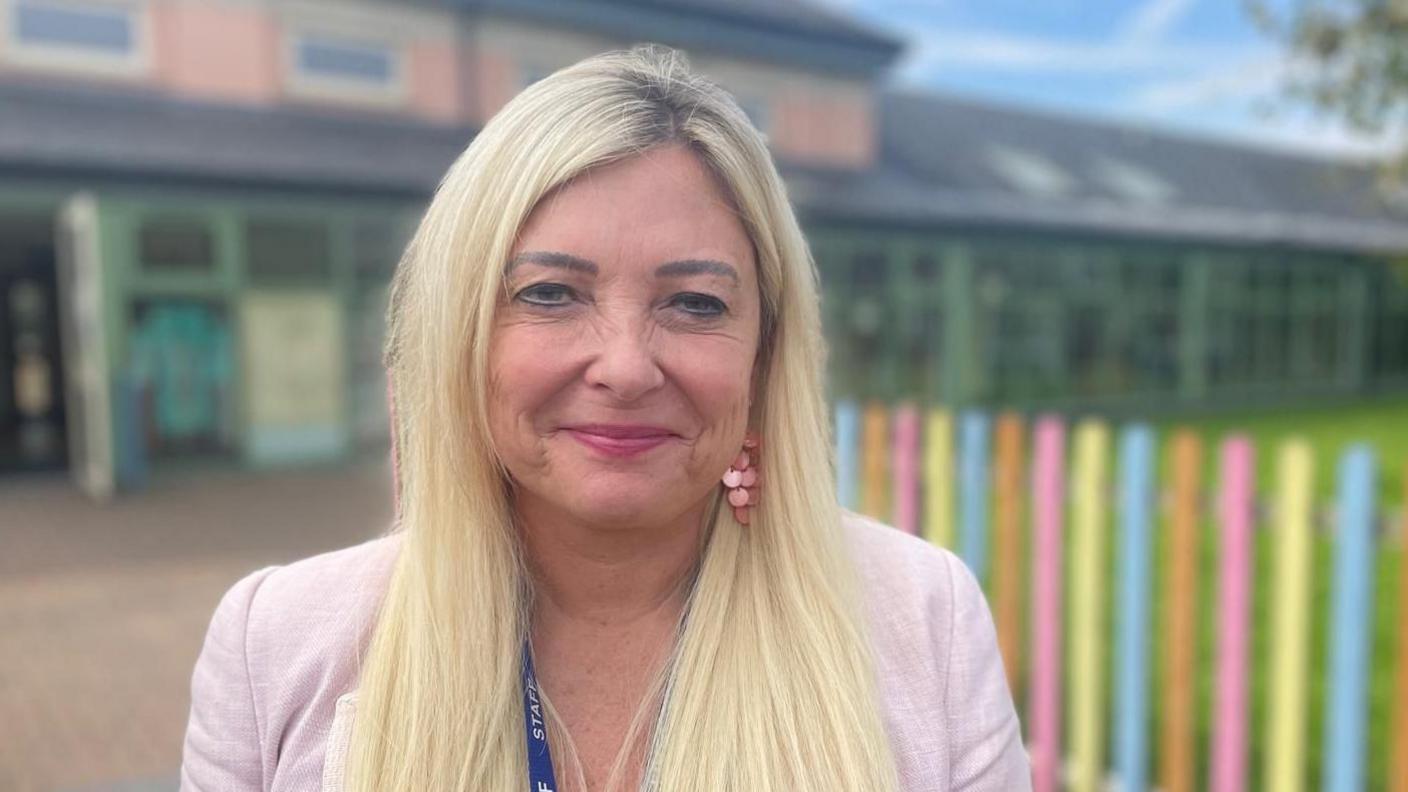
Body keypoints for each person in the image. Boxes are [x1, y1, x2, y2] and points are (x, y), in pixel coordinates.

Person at [179, 46, 1029, 792]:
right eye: (549, 293)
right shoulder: (276, 645)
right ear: (460, 335)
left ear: (766, 353)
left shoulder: (924, 620)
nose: (624, 366)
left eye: (695, 303)